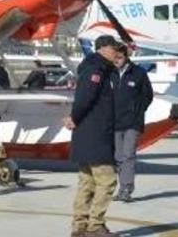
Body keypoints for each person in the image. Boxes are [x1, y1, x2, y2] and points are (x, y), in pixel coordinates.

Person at [66, 35, 119, 237]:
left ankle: (79, 226)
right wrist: (74, 117)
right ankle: (95, 225)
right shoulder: (96, 69)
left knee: (87, 182)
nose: (116, 52)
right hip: (95, 134)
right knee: (107, 181)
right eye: (114, 48)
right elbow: (84, 98)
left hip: (88, 135)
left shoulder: (97, 67)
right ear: (103, 48)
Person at [110, 42, 153, 203]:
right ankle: (121, 188)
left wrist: (137, 111)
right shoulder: (111, 73)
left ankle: (127, 188)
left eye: (119, 57)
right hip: (115, 121)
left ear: (126, 57)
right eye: (114, 58)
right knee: (118, 156)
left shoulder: (139, 73)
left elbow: (148, 95)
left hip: (132, 123)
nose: (117, 60)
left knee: (128, 155)